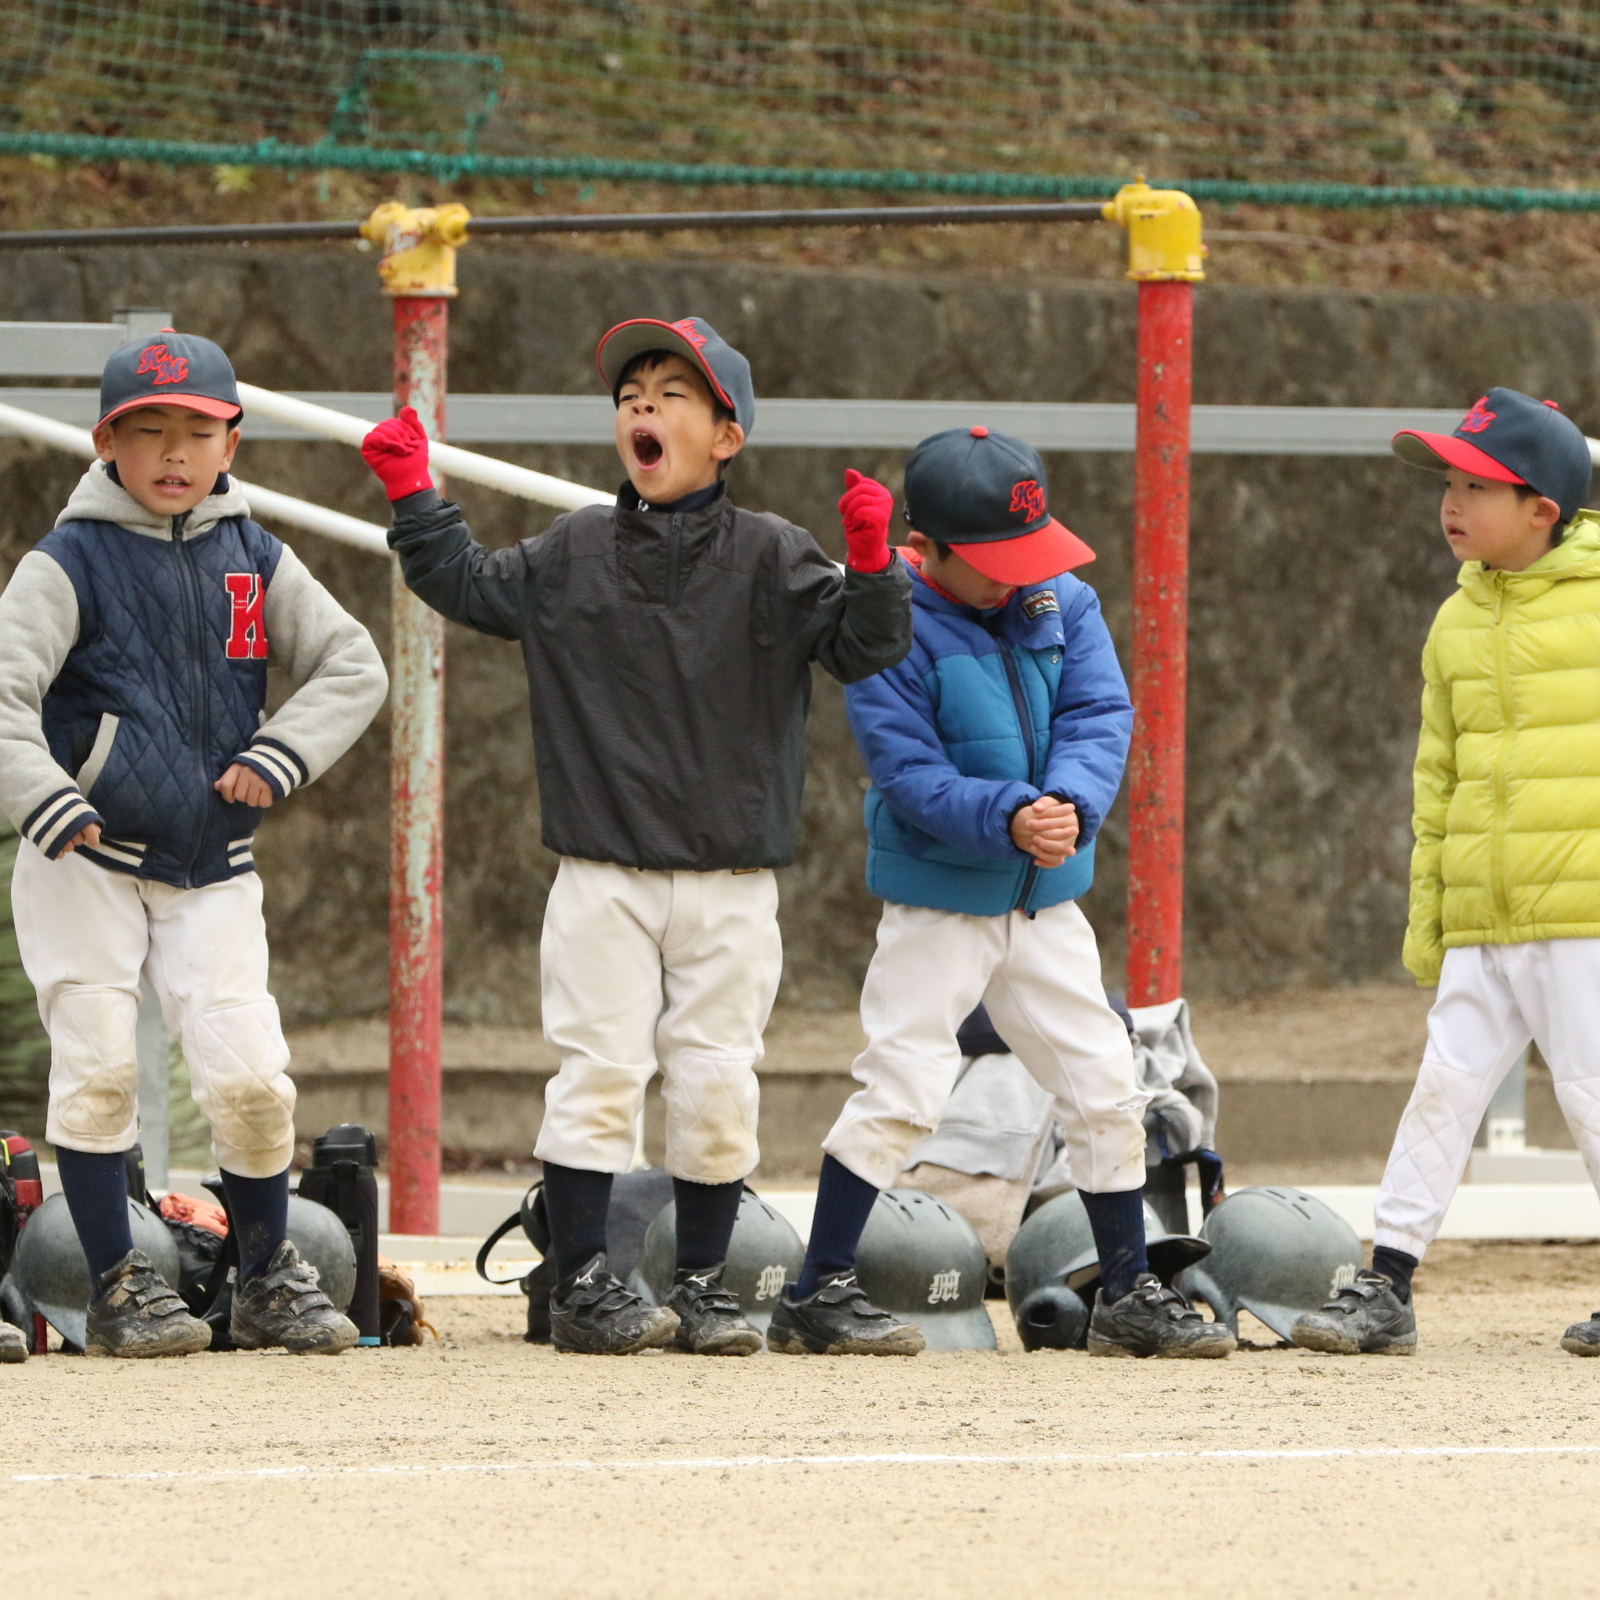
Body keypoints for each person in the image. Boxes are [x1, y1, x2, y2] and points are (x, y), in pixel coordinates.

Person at [360, 316, 913, 1355]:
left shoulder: (775, 555)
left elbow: (865, 648)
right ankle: (583, 1287)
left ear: (726, 436)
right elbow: (468, 584)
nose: (642, 408)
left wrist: (875, 562)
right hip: (600, 872)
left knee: (716, 1081)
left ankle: (702, 1284)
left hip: (733, 881)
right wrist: (412, 500)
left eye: (671, 393)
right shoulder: (572, 548)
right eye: (629, 395)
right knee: (597, 1074)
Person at [766, 425, 1235, 1359]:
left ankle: (1129, 1291)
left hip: (1043, 897)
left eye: (1031, 556)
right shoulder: (890, 622)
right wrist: (1012, 812)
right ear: (927, 546)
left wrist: (1067, 802)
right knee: (901, 1085)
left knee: (1107, 1084)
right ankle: (815, 1291)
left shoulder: (1063, 598)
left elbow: (1101, 712)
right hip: (943, 898)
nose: (1019, 578)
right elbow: (905, 772)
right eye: (993, 564)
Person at [0, 331, 388, 1356]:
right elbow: (2, 691)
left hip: (211, 860)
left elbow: (354, 666)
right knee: (95, 1068)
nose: (174, 453)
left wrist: (279, 752)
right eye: (149, 432)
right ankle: (120, 1282)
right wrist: (47, 798)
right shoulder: (67, 559)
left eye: (196, 433)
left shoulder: (255, 554)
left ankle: (263, 1277)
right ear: (106, 443)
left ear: (231, 444)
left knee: (251, 1072)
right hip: (81, 857)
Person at [1293, 389, 1600, 1358]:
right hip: (1483, 914)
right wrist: (1434, 910)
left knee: (1593, 1099)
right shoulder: (1454, 623)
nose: (1451, 503)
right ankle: (1386, 1282)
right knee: (1442, 1088)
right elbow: (1438, 780)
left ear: (1543, 508)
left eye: (1477, 486)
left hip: (1582, 913)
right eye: (1448, 485)